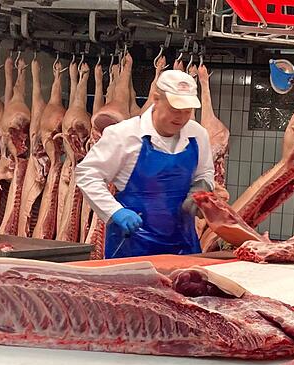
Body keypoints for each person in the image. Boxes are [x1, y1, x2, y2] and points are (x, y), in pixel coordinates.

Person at [76, 70, 215, 258]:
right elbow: (87, 174)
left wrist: (200, 188)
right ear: (156, 99)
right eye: (175, 110)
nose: (181, 118)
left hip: (183, 244)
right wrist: (116, 211)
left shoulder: (198, 134)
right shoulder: (124, 134)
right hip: (132, 246)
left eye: (187, 111)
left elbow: (204, 172)